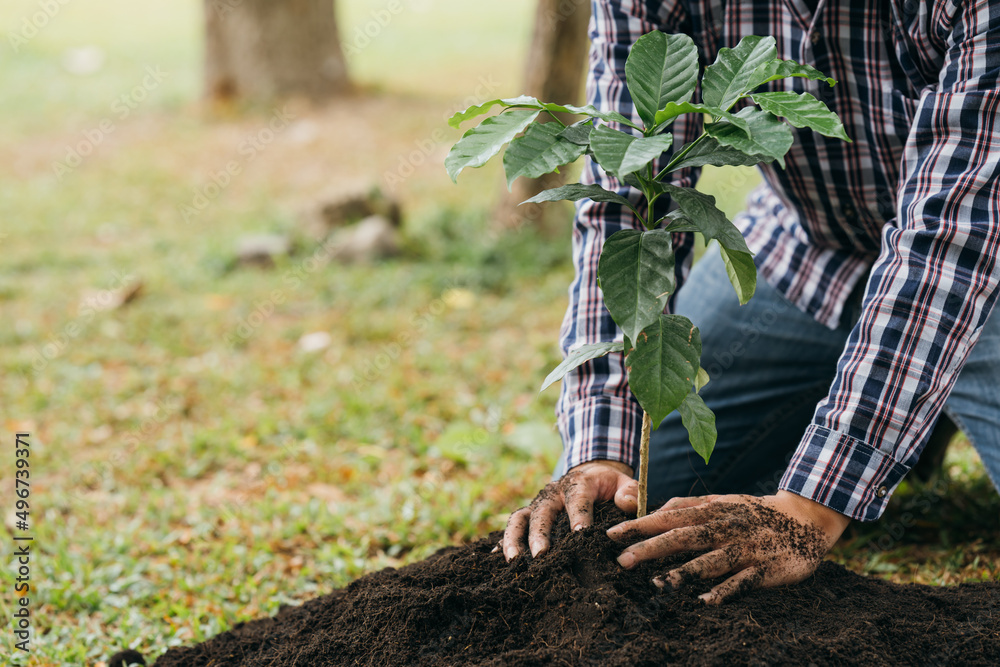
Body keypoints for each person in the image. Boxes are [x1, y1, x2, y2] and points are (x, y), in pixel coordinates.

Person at [498, 0, 1000, 603]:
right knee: (650, 502)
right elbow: (624, 192)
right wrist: (602, 448)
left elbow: (954, 238)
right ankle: (896, 418)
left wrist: (809, 508)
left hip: (980, 282)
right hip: (808, 252)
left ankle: (913, 419)